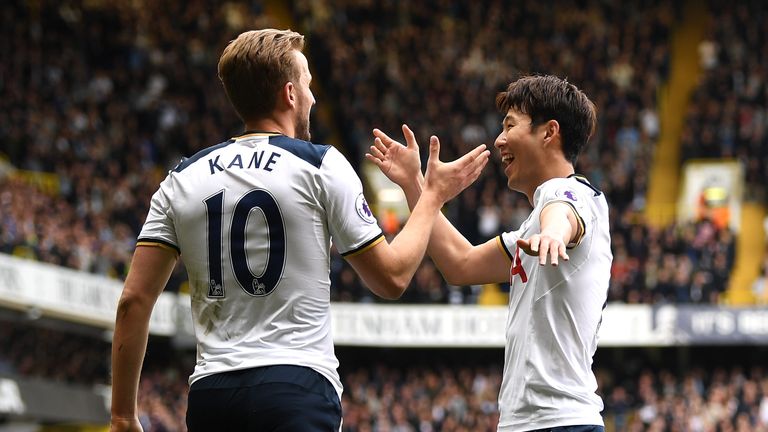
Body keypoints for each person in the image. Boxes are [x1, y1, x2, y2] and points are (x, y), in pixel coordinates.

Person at [109, 29, 489, 432]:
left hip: (213, 395)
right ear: (290, 94)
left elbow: (133, 302)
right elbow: (392, 277)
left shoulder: (181, 179)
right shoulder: (320, 165)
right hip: (297, 387)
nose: (313, 97)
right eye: (308, 84)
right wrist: (430, 195)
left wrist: (121, 416)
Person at [367, 74, 612, 431]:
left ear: (549, 132)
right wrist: (415, 185)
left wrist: (554, 235)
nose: (499, 140)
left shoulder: (571, 195)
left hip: (560, 423)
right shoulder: (531, 231)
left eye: (510, 125)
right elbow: (460, 264)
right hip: (528, 424)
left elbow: (561, 214)